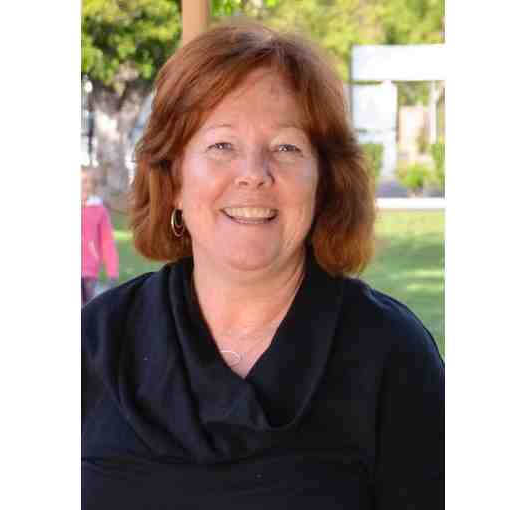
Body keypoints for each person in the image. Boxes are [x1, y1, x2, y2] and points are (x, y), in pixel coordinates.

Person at [82, 21, 444, 509]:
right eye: (222, 146)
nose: (253, 174)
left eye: (286, 148)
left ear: (324, 182)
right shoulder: (97, 342)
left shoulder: (392, 354)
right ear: (173, 179)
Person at [81, 167, 119, 306]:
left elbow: (107, 241)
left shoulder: (99, 209)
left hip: (89, 271)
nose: (86, 185)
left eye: (90, 182)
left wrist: (112, 271)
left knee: (86, 310)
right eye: (83, 181)